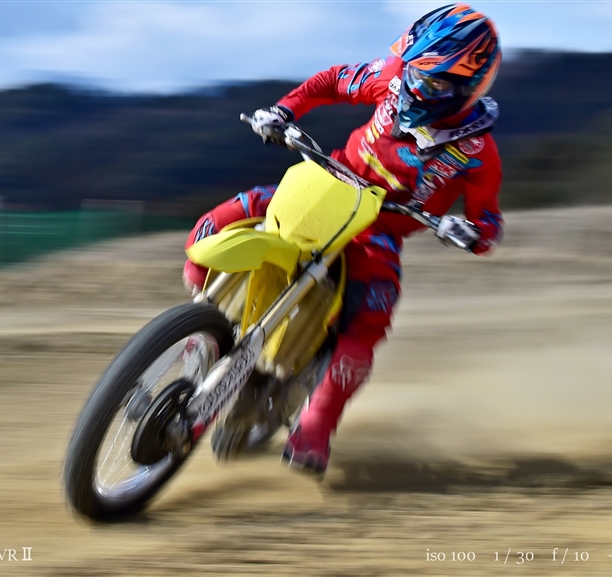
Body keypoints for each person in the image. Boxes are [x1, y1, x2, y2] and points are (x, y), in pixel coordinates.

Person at [183, 3, 504, 474]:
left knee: (371, 317)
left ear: (469, 88)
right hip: (327, 183)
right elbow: (333, 80)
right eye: (415, 71)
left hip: (379, 230)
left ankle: (315, 427)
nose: (416, 86)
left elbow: (489, 220)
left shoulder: (478, 151)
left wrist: (471, 232)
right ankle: (193, 331)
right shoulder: (393, 77)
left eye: (434, 83)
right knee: (219, 220)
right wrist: (283, 110)